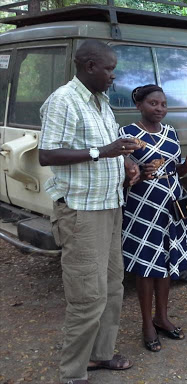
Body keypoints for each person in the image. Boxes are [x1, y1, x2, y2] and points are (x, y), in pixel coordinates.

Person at [39, 40, 139, 384]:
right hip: (82, 213)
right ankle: (73, 373)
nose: (114, 75)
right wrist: (103, 152)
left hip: (110, 205)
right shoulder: (63, 101)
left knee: (113, 287)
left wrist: (125, 162)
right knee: (87, 296)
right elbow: (47, 154)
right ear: (90, 66)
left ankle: (100, 355)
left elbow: (110, 146)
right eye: (109, 68)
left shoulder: (101, 101)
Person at [119, 85, 187, 352]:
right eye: (153, 104)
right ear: (139, 106)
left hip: (171, 204)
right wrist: (137, 172)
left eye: (163, 104)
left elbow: (174, 171)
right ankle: (146, 324)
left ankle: (162, 317)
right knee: (146, 265)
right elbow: (120, 174)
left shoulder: (171, 133)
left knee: (165, 262)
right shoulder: (127, 134)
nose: (160, 109)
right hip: (143, 208)